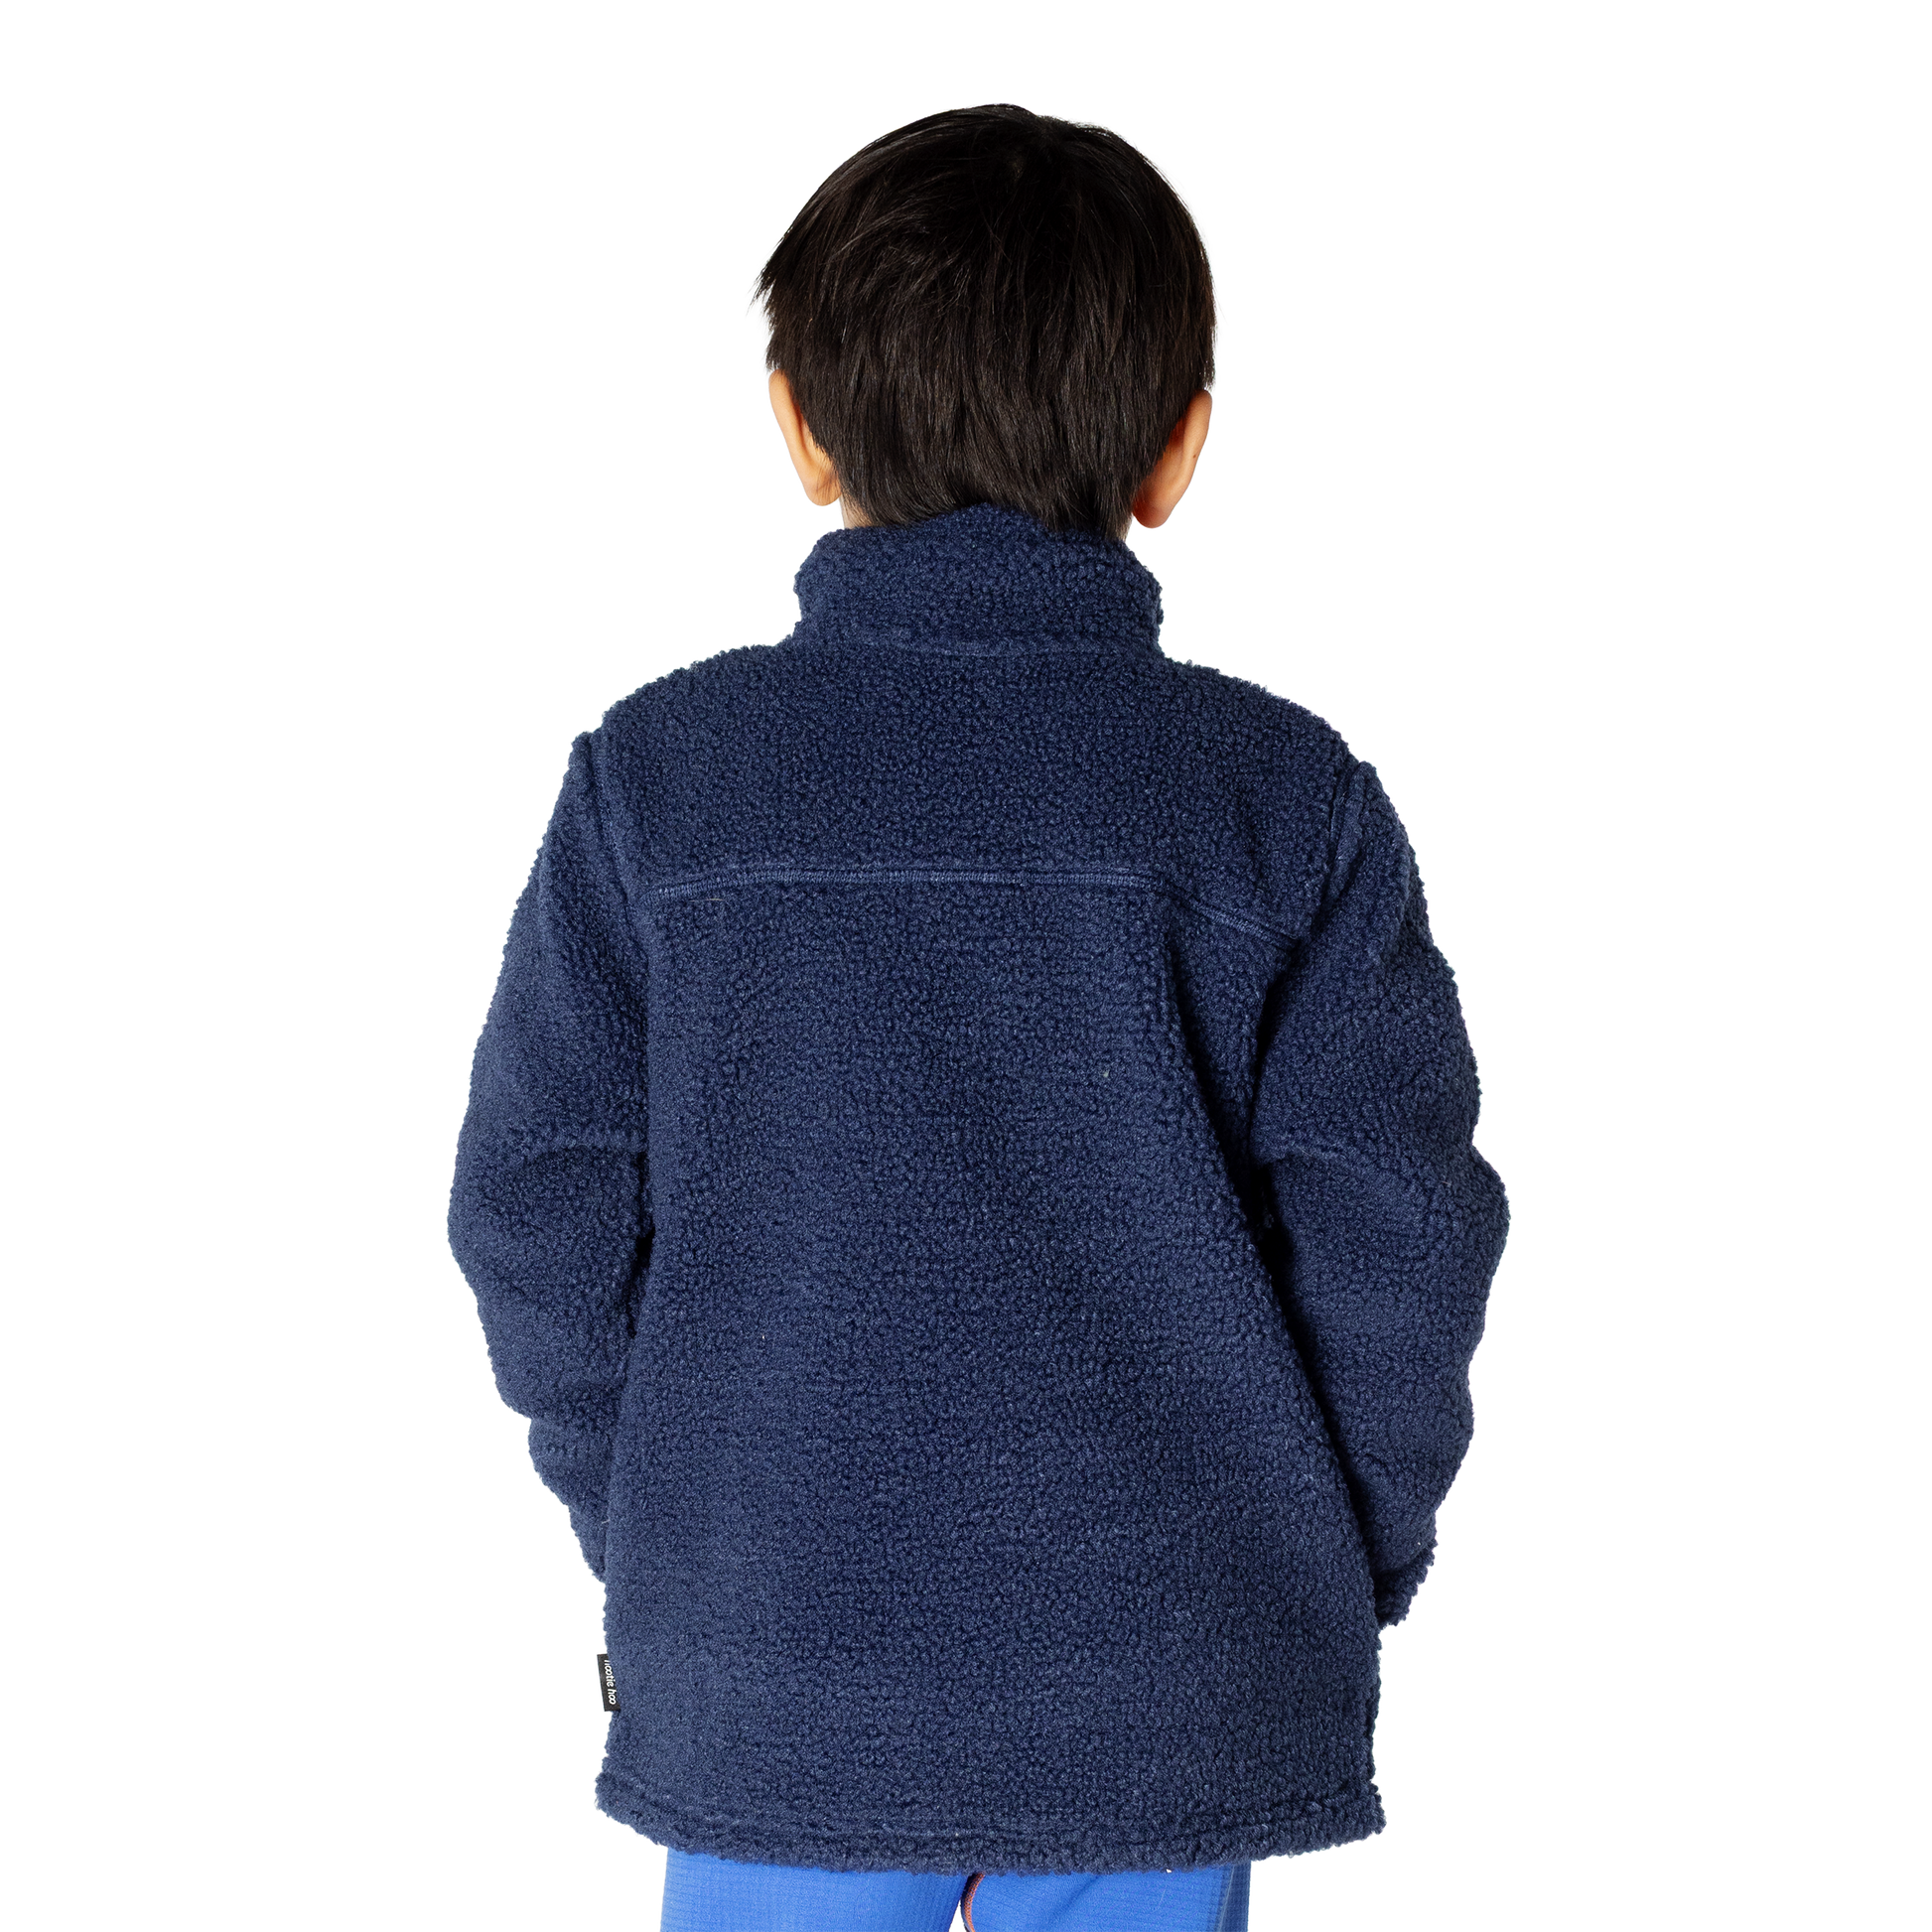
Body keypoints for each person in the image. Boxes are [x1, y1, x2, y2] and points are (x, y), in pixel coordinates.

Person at [445, 100, 1512, 1932]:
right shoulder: (1282, 795)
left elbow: (532, 1208)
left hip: (771, 1671)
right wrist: (1316, 1563)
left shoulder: (658, 781)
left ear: (795, 421)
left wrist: (677, 1530)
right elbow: (1407, 1239)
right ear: (1179, 445)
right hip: (1169, 1676)